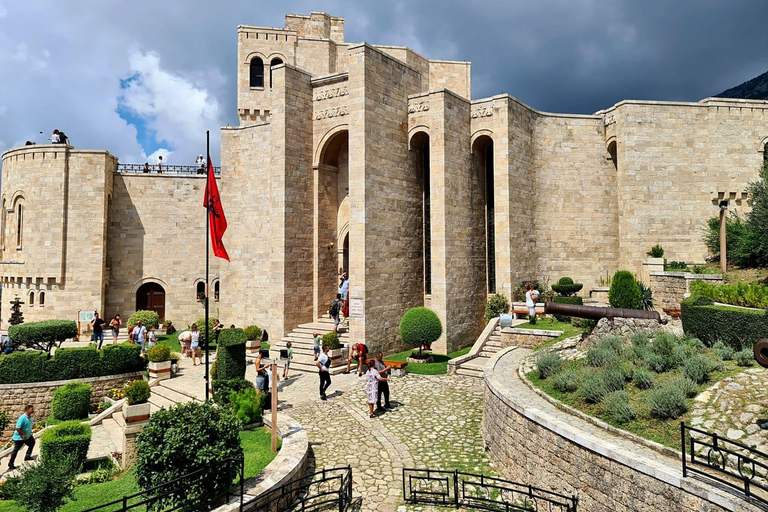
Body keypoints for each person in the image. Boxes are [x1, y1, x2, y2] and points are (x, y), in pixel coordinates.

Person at [8, 405, 35, 471]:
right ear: (27, 410)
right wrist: (23, 434)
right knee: (16, 450)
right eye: (32, 409)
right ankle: (10, 464)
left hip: (27, 436)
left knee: (32, 443)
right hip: (20, 437)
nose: (33, 410)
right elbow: (18, 428)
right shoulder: (22, 418)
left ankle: (27, 456)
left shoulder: (30, 417)